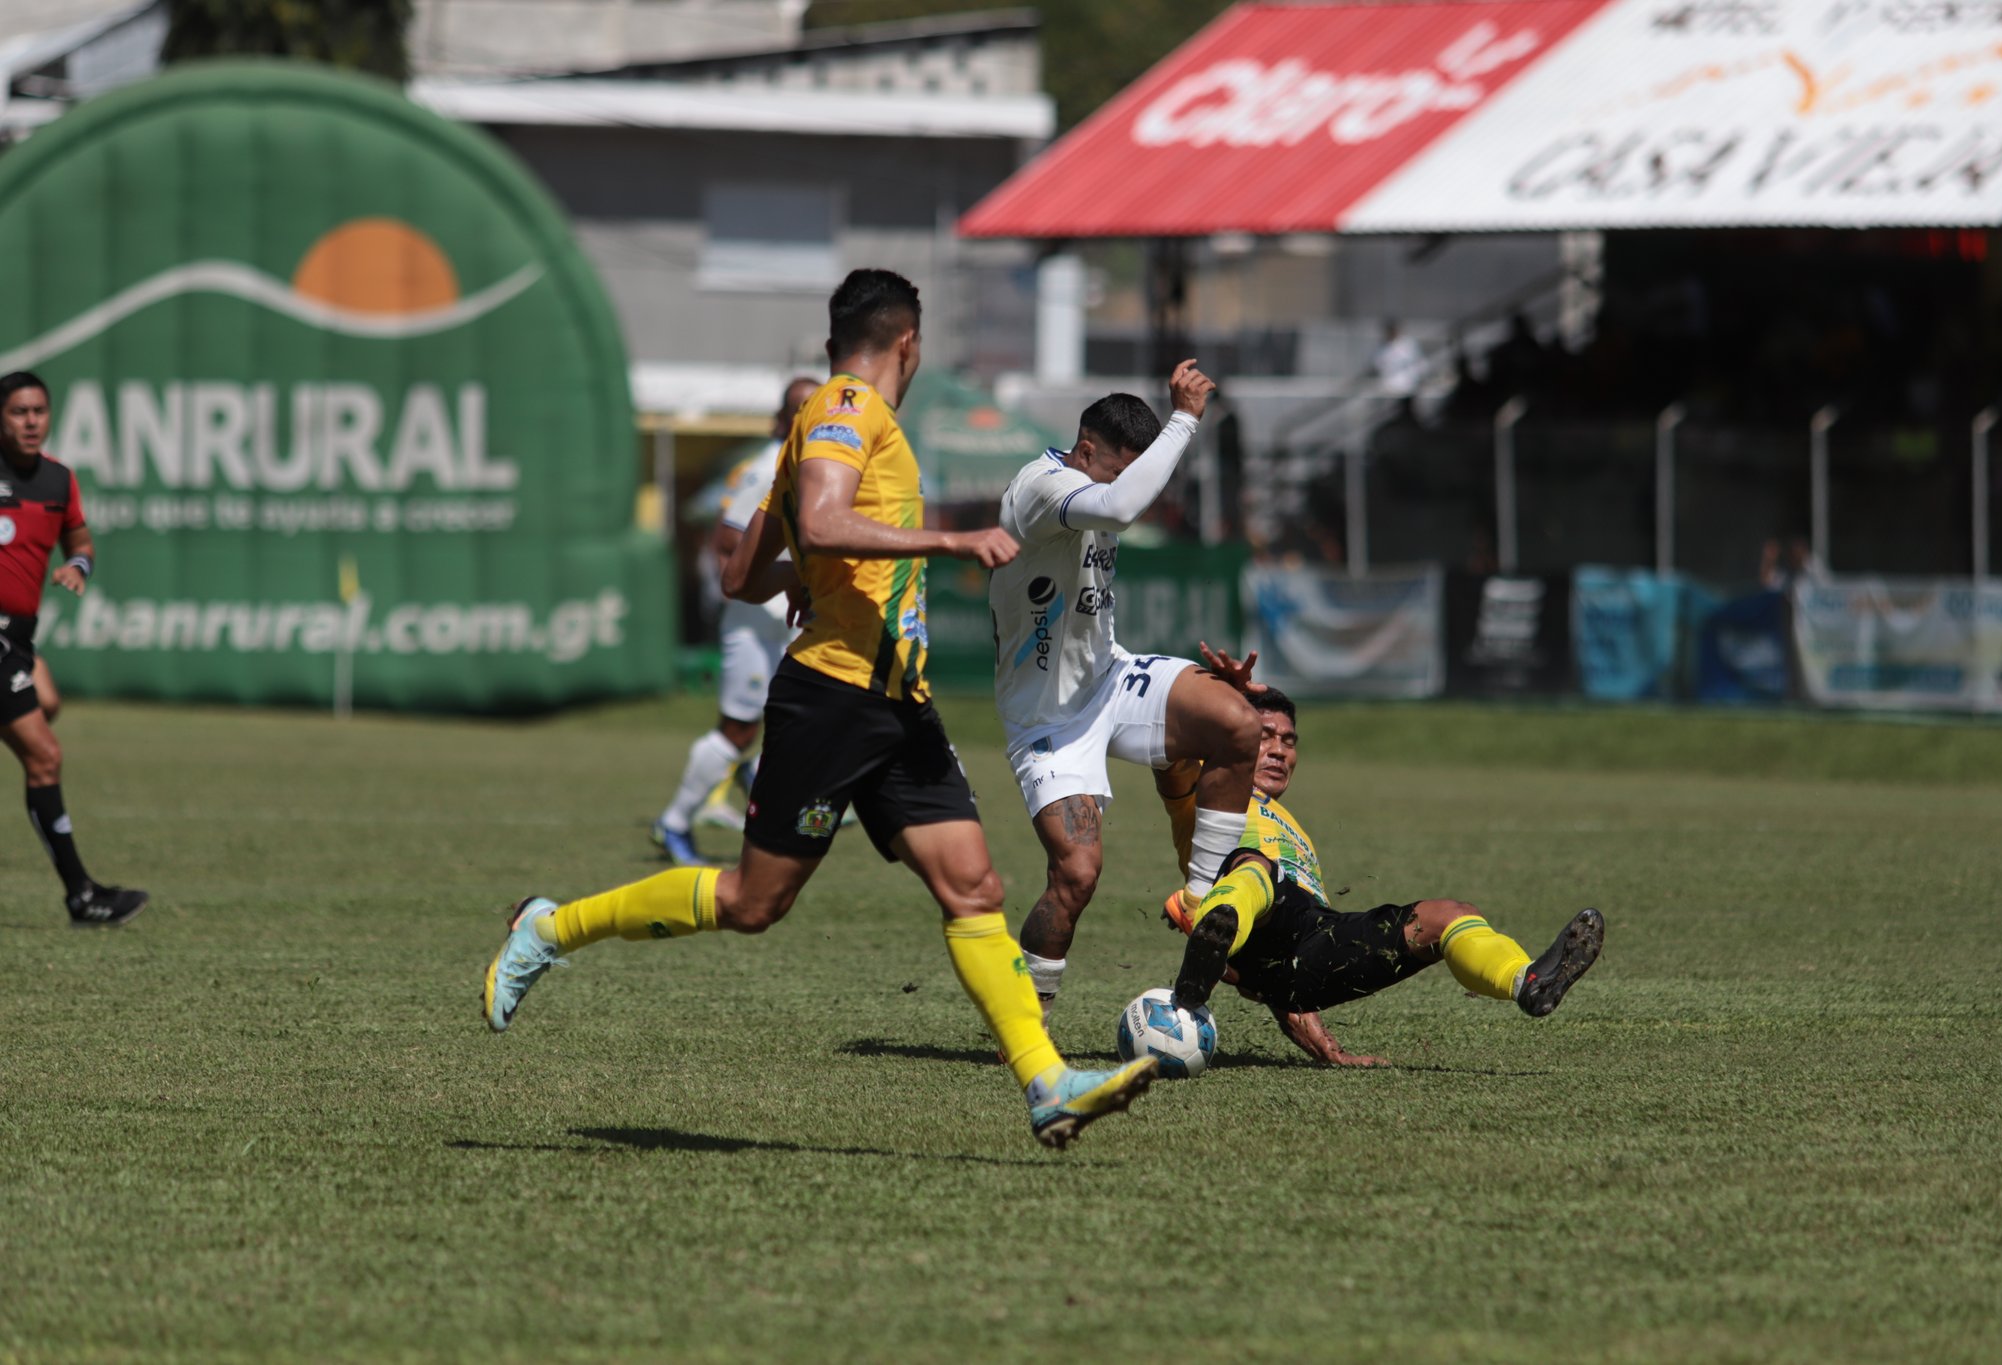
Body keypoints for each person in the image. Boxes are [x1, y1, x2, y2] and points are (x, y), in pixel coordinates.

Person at [480, 270, 1157, 1150]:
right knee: (754, 900)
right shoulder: (848, 407)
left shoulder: (824, 418)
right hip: (835, 694)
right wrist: (945, 538)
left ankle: (1046, 1084)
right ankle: (549, 927)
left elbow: (740, 575)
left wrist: (803, 571)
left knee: (974, 885)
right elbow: (827, 517)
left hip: (897, 701)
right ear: (907, 342)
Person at [987, 360, 1263, 1016]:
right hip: (1045, 715)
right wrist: (1185, 420)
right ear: (1087, 451)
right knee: (1076, 875)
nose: (1128, 483)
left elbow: (1122, 493)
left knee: (1239, 722)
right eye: (1119, 466)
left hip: (1111, 676)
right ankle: (1027, 1025)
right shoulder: (1039, 486)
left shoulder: (1098, 477)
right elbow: (1120, 502)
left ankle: (1199, 900)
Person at [1161, 683, 1603, 1064]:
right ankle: (1212, 938)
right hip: (1249, 908)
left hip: (1305, 941)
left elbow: (1288, 967)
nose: (1279, 749)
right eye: (1264, 736)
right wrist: (1222, 690)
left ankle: (1526, 982)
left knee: (1448, 915)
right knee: (1257, 868)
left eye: (1290, 741)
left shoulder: (1295, 831)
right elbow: (1167, 742)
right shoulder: (1207, 788)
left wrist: (1328, 1049)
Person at [0, 372, 148, 926]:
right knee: (45, 755)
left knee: (49, 705)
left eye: (39, 410)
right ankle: (81, 895)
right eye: (18, 412)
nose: (32, 421)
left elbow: (79, 540)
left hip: (16, 637)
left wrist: (78, 564)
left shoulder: (59, 480)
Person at [652, 375, 819, 863]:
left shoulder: (821, 468)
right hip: (755, 620)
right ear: (785, 419)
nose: (816, 416)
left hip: (793, 619)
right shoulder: (769, 467)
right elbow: (728, 546)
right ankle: (674, 821)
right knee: (739, 729)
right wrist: (774, 588)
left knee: (809, 714)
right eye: (803, 408)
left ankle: (760, 788)